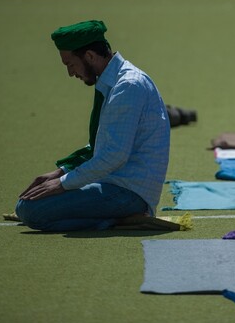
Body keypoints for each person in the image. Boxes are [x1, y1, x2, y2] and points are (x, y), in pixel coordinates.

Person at [15, 20, 170, 231]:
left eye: (70, 64)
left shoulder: (128, 86)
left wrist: (63, 184)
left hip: (128, 193)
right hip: (114, 184)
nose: (70, 73)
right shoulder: (115, 82)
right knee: (29, 204)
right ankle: (119, 219)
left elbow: (114, 155)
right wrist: (61, 172)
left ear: (89, 56)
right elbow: (102, 146)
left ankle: (122, 218)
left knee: (28, 210)